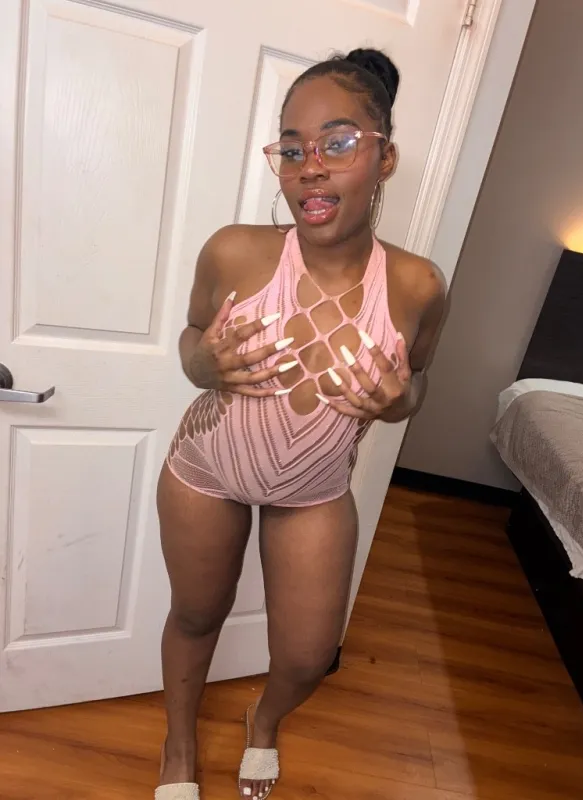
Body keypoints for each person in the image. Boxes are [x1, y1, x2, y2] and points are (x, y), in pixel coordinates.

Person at [155, 47, 446, 800]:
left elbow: (416, 384)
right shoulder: (234, 250)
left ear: (385, 159)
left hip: (313, 491)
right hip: (206, 472)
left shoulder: (418, 285)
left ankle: (263, 719)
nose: (310, 168)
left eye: (338, 143)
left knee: (309, 656)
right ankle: (179, 743)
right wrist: (203, 363)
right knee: (196, 614)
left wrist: (397, 403)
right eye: (293, 149)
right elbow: (191, 341)